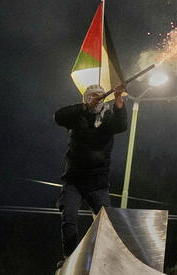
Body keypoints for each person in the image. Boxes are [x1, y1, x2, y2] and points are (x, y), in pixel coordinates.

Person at [54, 82, 127, 261]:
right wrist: (85, 107)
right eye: (89, 98)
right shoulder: (77, 117)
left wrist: (118, 97)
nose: (94, 101)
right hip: (74, 181)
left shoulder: (108, 119)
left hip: (98, 183)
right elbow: (58, 116)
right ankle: (69, 257)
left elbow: (122, 124)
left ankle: (106, 257)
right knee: (69, 217)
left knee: (106, 222)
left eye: (97, 98)